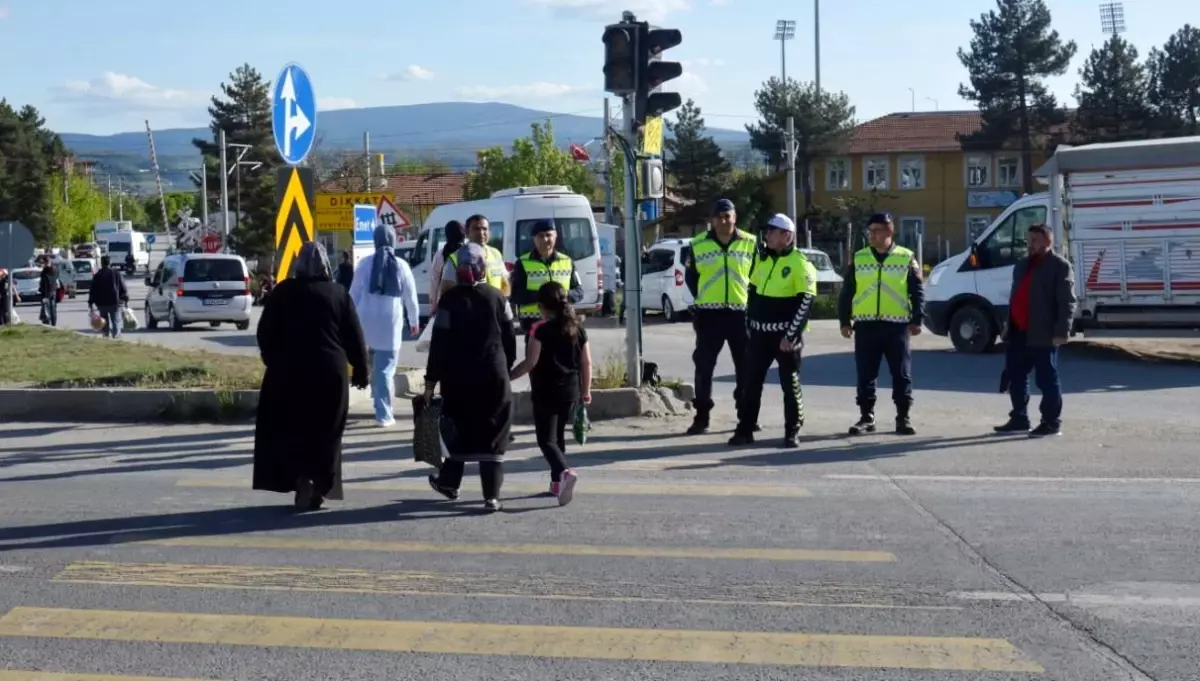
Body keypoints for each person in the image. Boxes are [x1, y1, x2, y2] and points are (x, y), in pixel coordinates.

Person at [253, 243, 370, 511]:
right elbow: (354, 336)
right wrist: (361, 369)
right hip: (330, 374)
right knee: (327, 432)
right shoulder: (338, 293)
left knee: (292, 429)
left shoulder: (283, 292)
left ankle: (300, 477)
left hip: (287, 374)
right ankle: (320, 483)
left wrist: (273, 360)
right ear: (326, 266)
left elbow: (264, 332)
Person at [423, 243, 518, 513]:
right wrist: (504, 367)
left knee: (460, 432)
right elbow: (510, 339)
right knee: (493, 436)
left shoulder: (448, 302)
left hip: (458, 380)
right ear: (484, 268)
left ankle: (449, 483)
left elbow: (438, 345)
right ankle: (491, 497)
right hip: (494, 377)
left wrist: (430, 383)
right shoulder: (498, 297)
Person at [731, 214, 817, 448]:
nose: (766, 235)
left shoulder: (801, 264)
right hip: (759, 335)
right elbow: (753, 292)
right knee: (751, 383)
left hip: (784, 338)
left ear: (786, 235)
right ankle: (745, 428)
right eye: (766, 231)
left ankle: (792, 430)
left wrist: (790, 336)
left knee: (790, 385)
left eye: (771, 231)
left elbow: (805, 303)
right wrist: (750, 324)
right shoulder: (763, 260)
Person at [837, 213, 925, 436]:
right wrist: (845, 321)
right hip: (866, 326)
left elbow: (917, 291)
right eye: (870, 231)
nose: (872, 235)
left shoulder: (906, 257)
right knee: (866, 374)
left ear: (889, 231)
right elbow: (847, 292)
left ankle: (903, 418)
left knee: (901, 373)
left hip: (896, 326)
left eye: (876, 231)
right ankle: (867, 417)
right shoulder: (859, 258)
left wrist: (917, 318)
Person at [509, 282, 592, 506]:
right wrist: (586, 392)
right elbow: (586, 362)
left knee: (546, 440)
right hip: (570, 392)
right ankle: (556, 484)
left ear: (542, 306)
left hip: (546, 391)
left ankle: (565, 472)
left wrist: (507, 377)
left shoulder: (539, 329)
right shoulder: (577, 328)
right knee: (557, 438)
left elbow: (530, 363)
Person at [683, 198, 757, 435]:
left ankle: (746, 416)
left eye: (728, 216)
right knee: (704, 368)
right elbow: (691, 278)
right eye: (719, 217)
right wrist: (704, 298)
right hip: (709, 315)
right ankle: (702, 416)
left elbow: (757, 278)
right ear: (712, 220)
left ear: (735, 218)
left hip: (740, 314)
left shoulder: (751, 243)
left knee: (745, 368)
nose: (724, 221)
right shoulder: (697, 244)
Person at [995, 223, 1076, 437]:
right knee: (1015, 375)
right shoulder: (1021, 266)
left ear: (1048, 242)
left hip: (1043, 333)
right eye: (1028, 240)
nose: (1029, 244)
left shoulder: (1059, 266)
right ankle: (1019, 418)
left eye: (1034, 240)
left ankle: (1051, 422)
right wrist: (1007, 325)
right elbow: (1015, 298)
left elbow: (1067, 301)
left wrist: (1062, 331)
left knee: (1046, 379)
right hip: (1018, 332)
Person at [350, 224, 420, 427]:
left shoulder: (364, 264)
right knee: (386, 368)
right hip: (390, 322)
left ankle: (376, 395)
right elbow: (411, 297)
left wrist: (346, 319)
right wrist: (414, 321)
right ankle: (384, 414)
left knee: (374, 362)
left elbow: (353, 294)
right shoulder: (401, 265)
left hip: (366, 320)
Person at [511, 219, 584, 339]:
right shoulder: (522, 263)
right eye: (540, 236)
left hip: (563, 324)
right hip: (534, 325)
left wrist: (563, 295)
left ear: (555, 236)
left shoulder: (567, 261)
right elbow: (516, 295)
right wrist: (545, 297)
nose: (545, 239)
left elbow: (579, 292)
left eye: (548, 235)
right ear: (534, 239)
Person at [440, 214, 510, 296]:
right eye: (476, 229)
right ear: (467, 232)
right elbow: (446, 290)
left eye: (484, 229)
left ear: (489, 232)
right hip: (470, 307)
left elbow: (504, 283)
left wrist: (502, 303)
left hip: (494, 306)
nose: (481, 233)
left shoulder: (496, 253)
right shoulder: (456, 257)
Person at [428, 220, 464, 316]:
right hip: (466, 301)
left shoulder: (440, 255)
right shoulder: (470, 252)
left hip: (446, 302)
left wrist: (433, 306)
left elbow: (434, 282)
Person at [88, 256, 129, 338]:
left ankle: (105, 335)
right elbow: (122, 286)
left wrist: (91, 302)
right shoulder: (116, 273)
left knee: (103, 321)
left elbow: (93, 290)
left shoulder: (97, 275)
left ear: (101, 263)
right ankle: (116, 336)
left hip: (101, 303)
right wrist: (125, 298)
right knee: (116, 321)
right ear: (110, 263)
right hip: (114, 302)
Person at [38, 262, 60, 327]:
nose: (42, 265)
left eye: (43, 263)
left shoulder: (45, 272)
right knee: (53, 307)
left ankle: (48, 322)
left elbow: (47, 284)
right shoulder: (55, 270)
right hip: (53, 291)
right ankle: (53, 323)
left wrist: (45, 295)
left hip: (48, 292)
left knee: (48, 308)